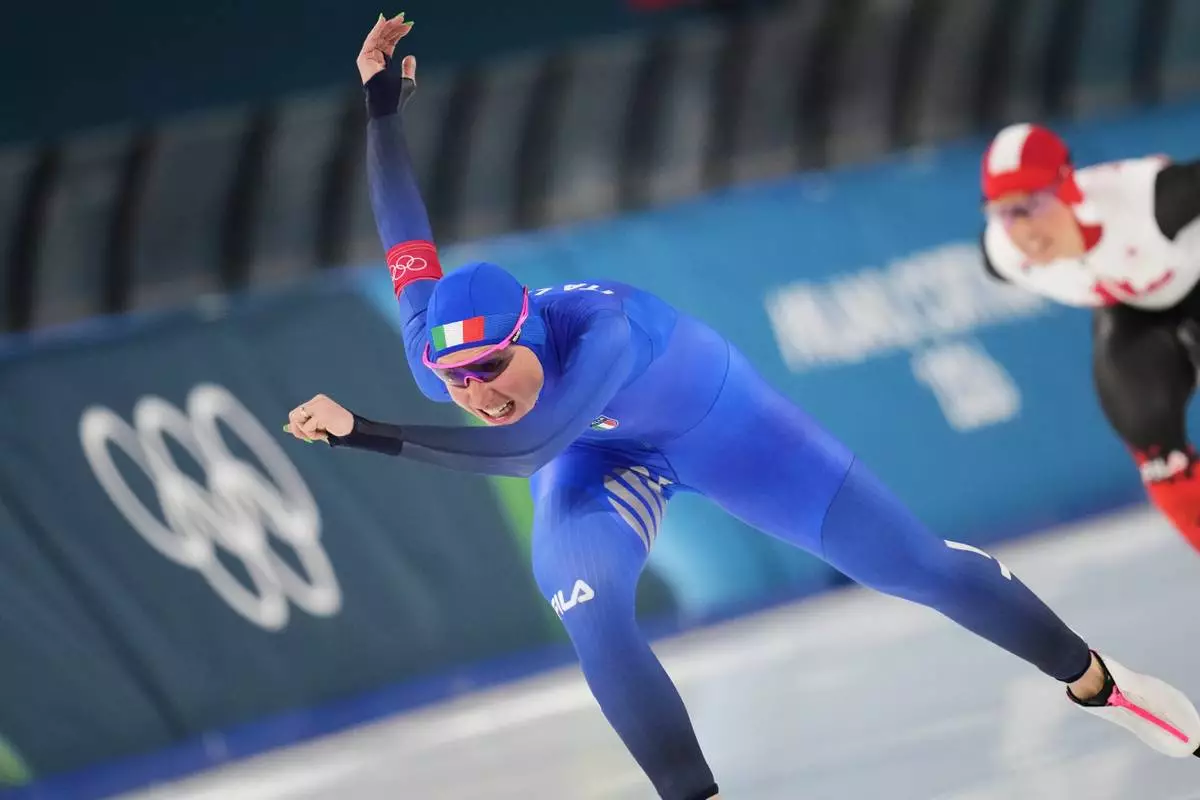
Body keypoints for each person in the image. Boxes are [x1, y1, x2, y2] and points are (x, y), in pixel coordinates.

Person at [286, 18, 1200, 799]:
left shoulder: (604, 336)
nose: (478, 392)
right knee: (590, 610)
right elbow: (405, 235)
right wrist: (380, 108)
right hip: (596, 456)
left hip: (719, 428)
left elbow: (523, 451)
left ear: (530, 332)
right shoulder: (438, 353)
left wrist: (364, 433)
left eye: (493, 368)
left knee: (913, 567)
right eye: (458, 380)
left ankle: (1098, 682)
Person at [980, 122, 1200, 553]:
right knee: (1150, 436)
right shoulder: (1002, 254)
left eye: (1033, 205)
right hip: (1134, 310)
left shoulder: (1154, 202)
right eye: (1005, 213)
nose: (1024, 230)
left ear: (1069, 190)